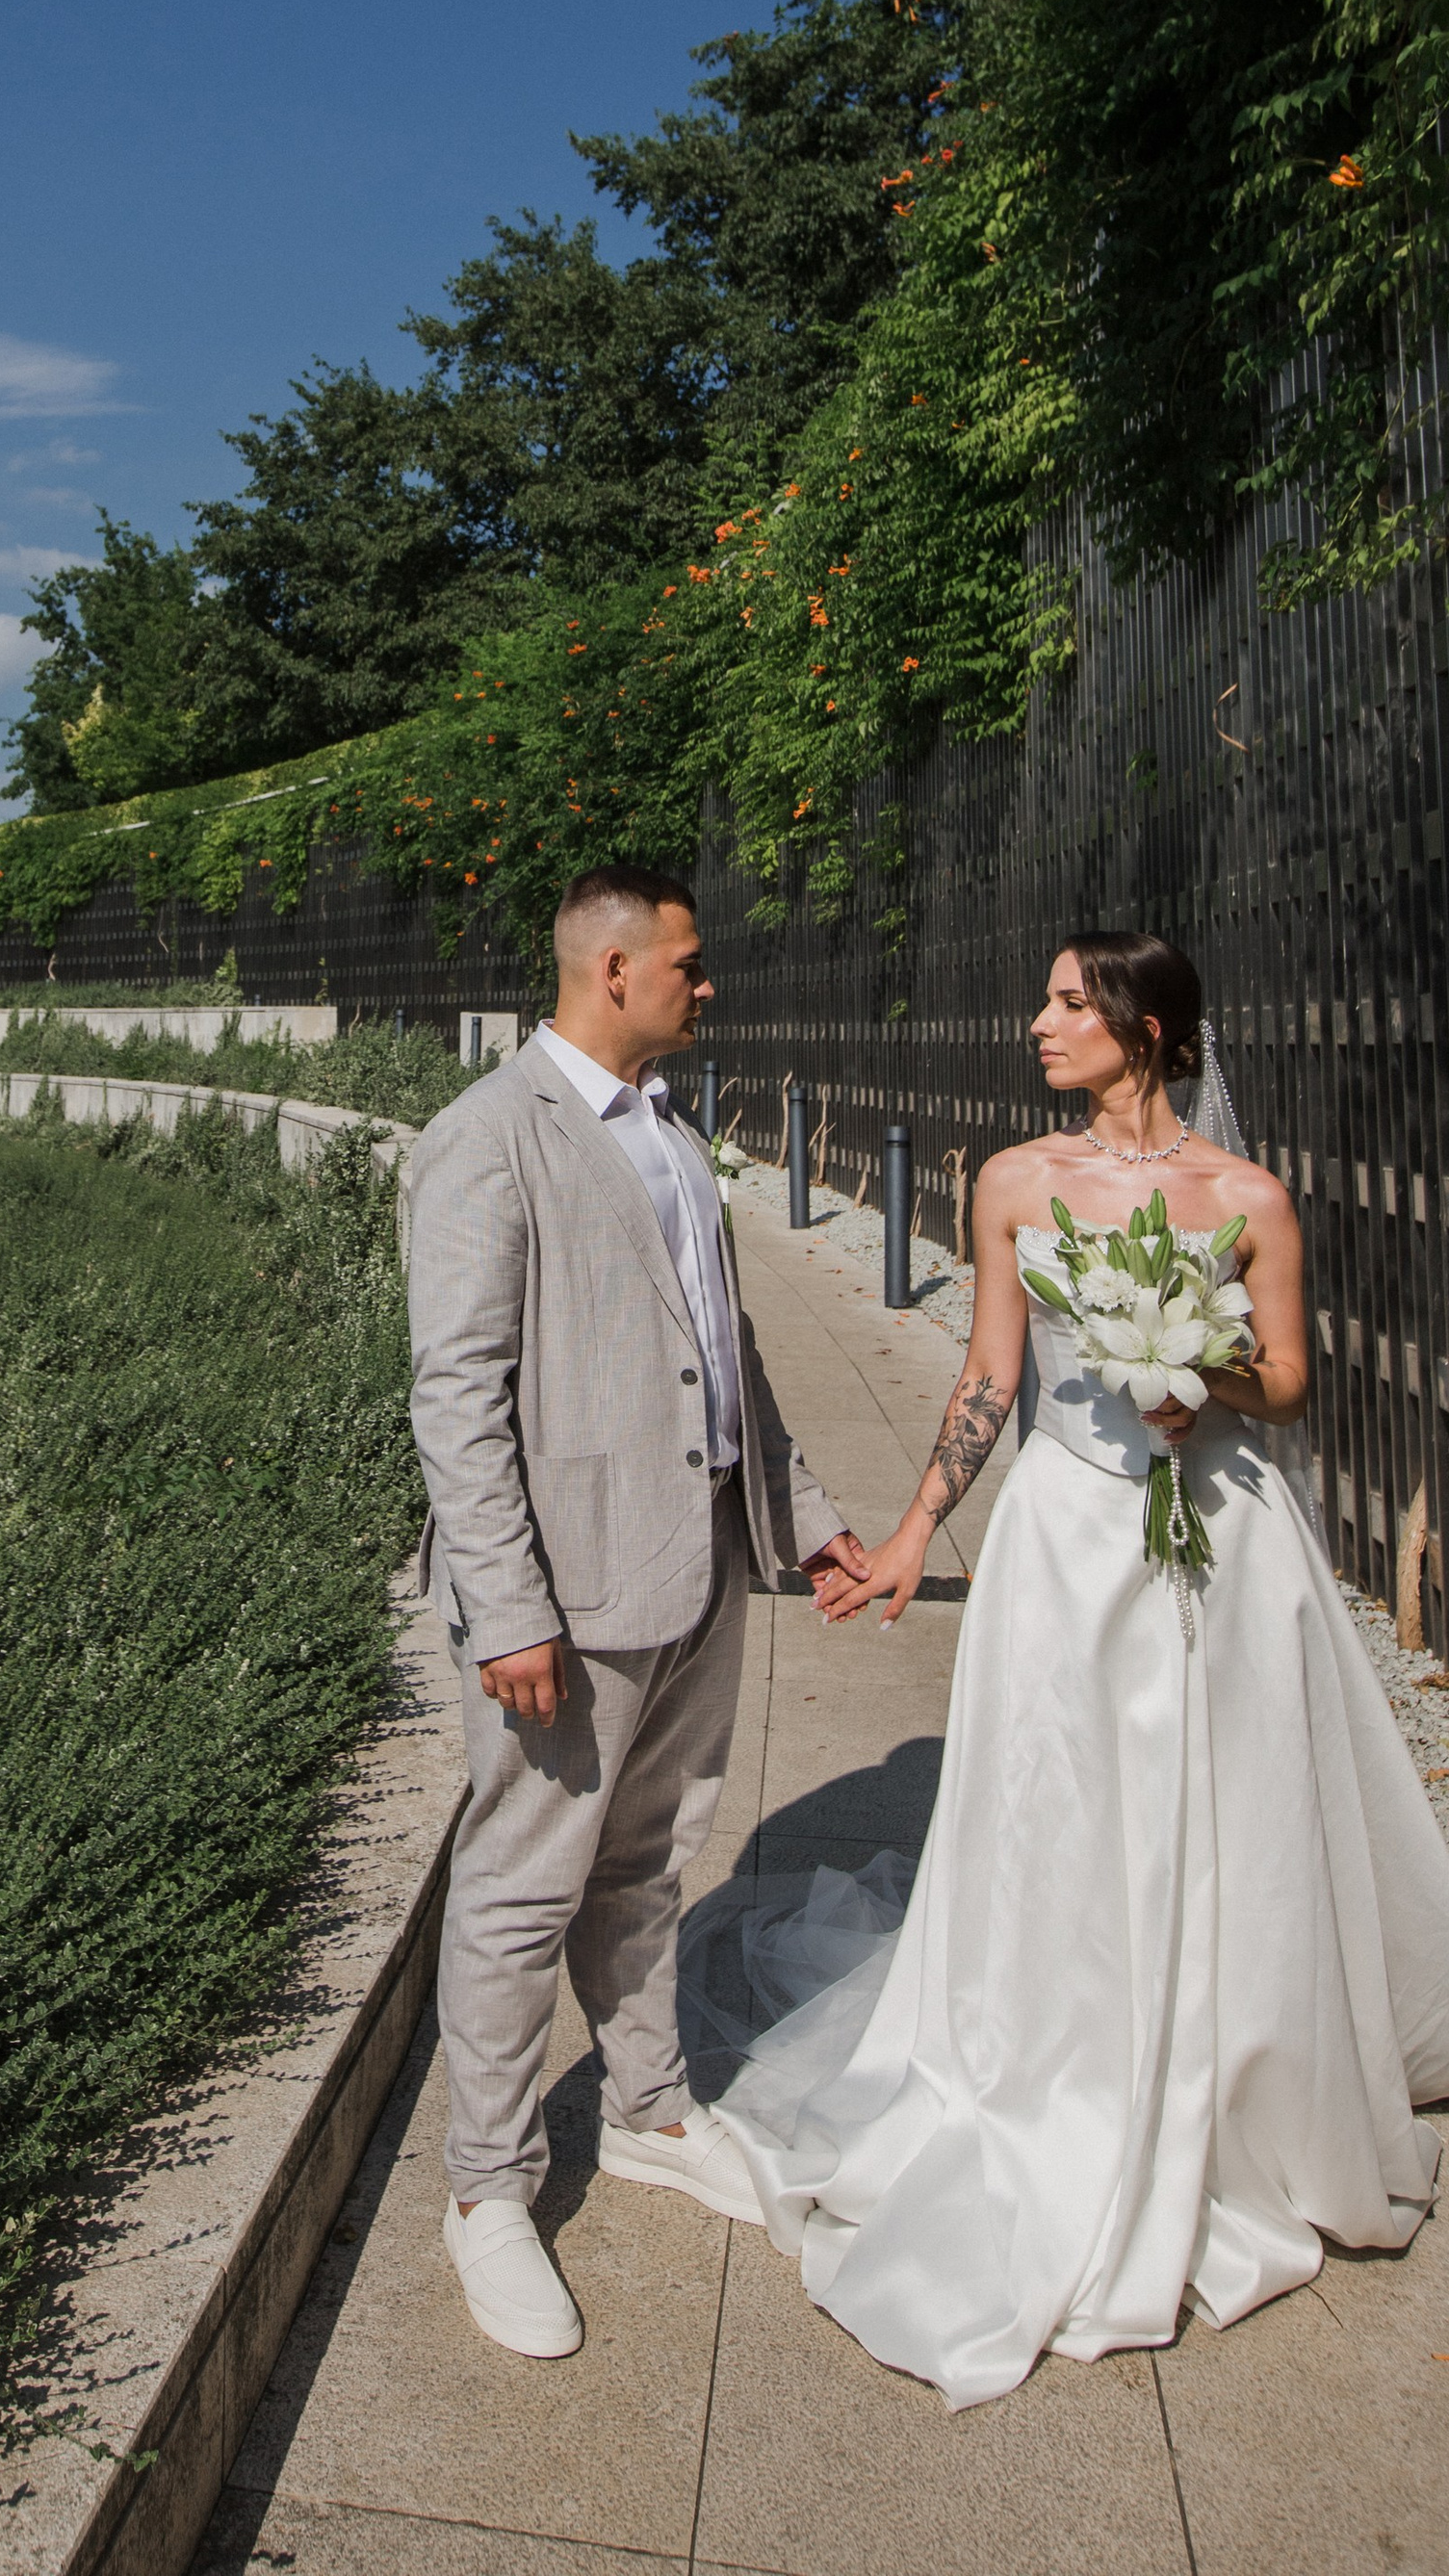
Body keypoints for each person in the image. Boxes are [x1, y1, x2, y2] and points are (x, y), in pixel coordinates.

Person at [680, 930, 1449, 2410]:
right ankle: (1064, 2059)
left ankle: (1238, 2074)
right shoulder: (1015, 1182)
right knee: (1062, 1801)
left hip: (1225, 1538)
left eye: (1070, 1002)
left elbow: (1290, 1382)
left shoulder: (1250, 1199)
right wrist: (913, 1532)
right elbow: (990, 1377)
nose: (1041, 1021)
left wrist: (1205, 1374)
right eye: (1048, 999)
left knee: (1233, 1808)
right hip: (1068, 1539)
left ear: (1145, 1029)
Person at [404, 863, 870, 2357]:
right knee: (519, 1886)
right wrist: (508, 1608)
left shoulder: (670, 1132)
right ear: (614, 970)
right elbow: (456, 1396)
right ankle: (485, 2191)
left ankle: (650, 2109)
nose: (706, 982)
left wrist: (806, 1519)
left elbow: (727, 1356)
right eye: (688, 962)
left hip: (700, 1562)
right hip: (568, 1592)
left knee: (656, 1861)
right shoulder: (487, 1139)